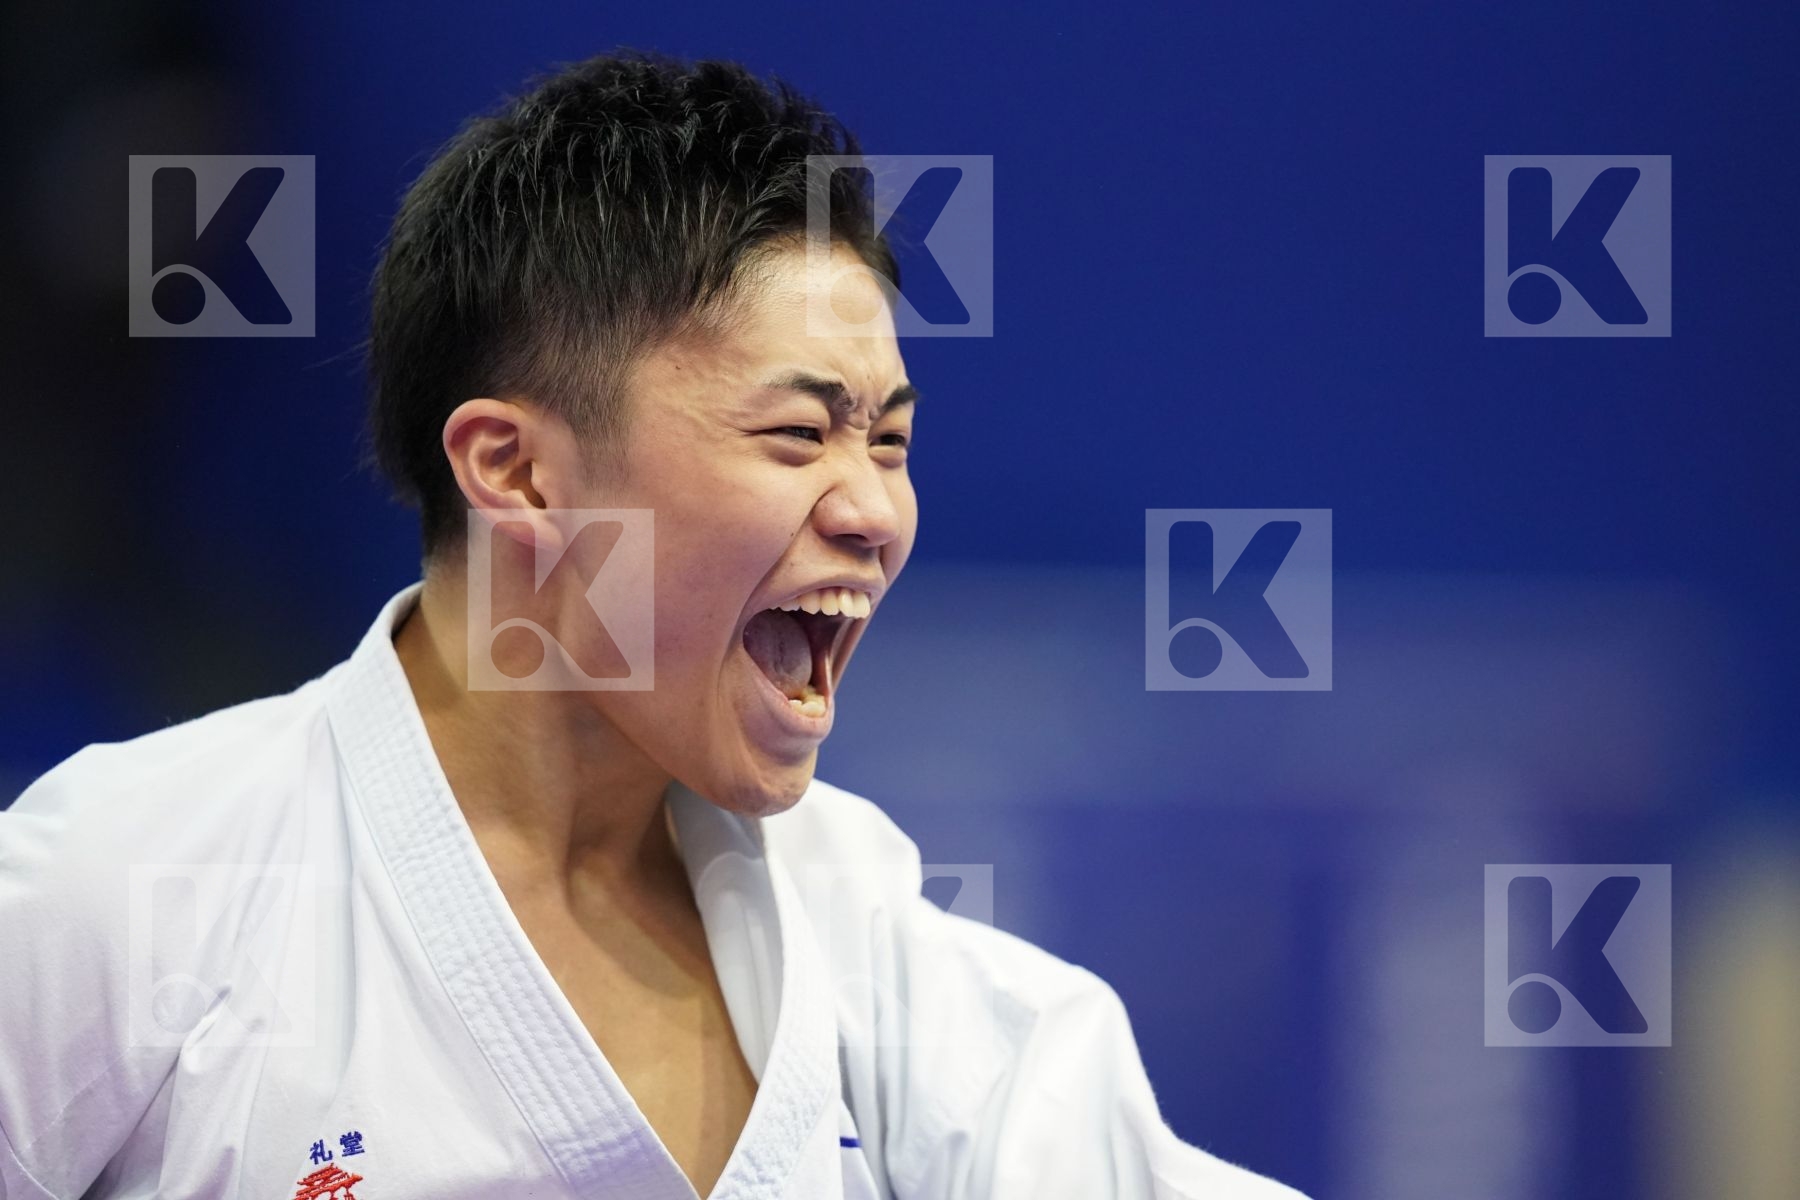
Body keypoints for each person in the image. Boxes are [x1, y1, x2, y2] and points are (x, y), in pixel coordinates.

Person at [0, 51, 1307, 1199]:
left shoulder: (870, 943)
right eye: (799, 434)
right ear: (516, 473)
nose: (875, 514)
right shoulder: (123, 892)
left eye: (892, 441)